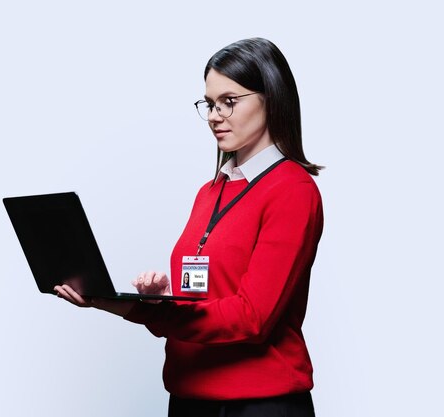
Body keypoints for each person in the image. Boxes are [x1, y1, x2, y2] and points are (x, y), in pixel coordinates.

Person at [55, 37, 324, 417]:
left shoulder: (292, 190)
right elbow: (200, 307)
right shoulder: (210, 192)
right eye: (210, 104)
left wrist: (159, 312)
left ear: (271, 98)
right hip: (189, 399)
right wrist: (158, 298)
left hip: (259, 405)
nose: (215, 115)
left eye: (229, 101)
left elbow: (252, 318)